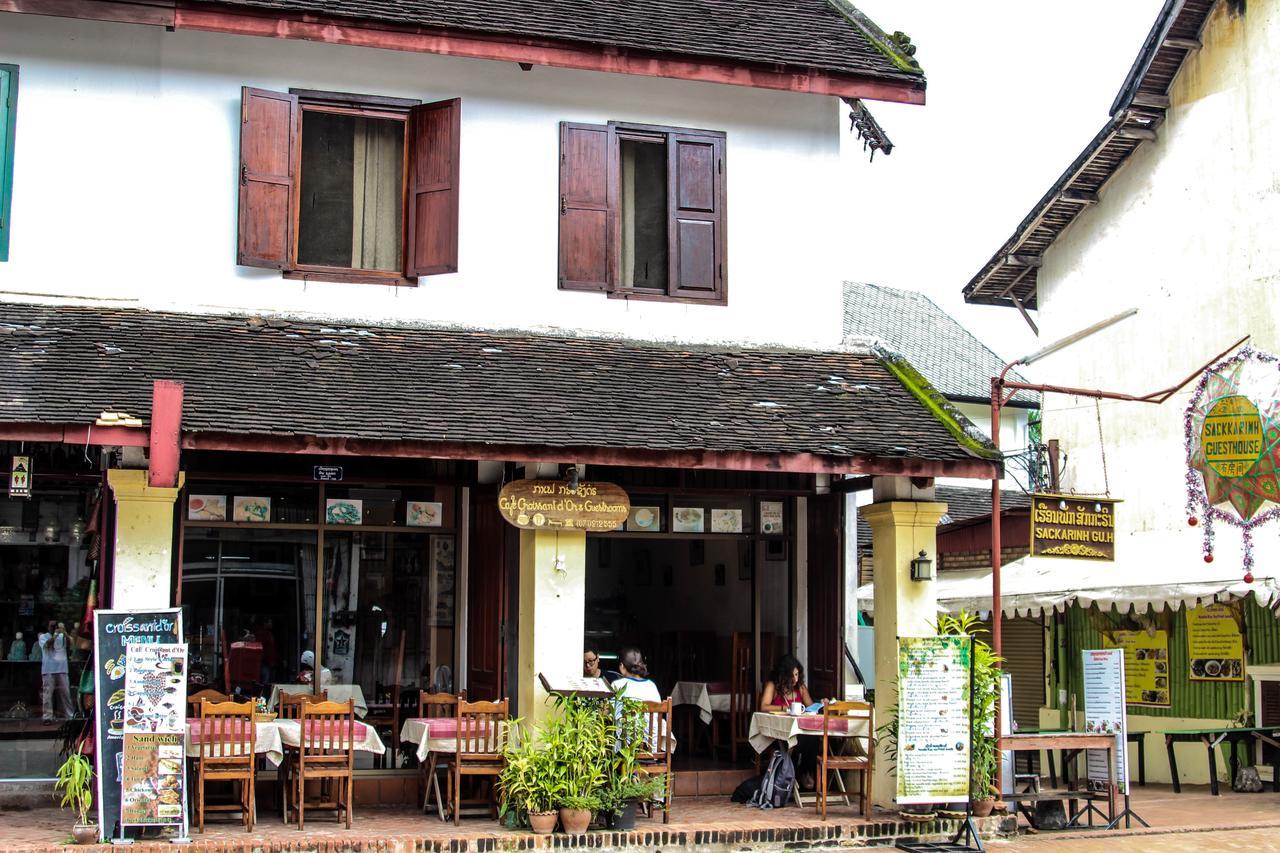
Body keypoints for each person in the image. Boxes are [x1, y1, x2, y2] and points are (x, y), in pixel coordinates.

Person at [760, 654, 818, 786]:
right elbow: (763, 706)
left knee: (814, 737)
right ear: (784, 674)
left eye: (797, 675)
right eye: (792, 675)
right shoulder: (773, 686)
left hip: (800, 732)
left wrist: (821, 706)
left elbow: (811, 707)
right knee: (805, 740)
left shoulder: (801, 688)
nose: (795, 679)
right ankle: (797, 773)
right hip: (779, 734)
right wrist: (784, 708)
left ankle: (804, 771)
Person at [38, 621, 73, 723]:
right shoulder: (43, 636)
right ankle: (47, 717)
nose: (54, 627)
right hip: (48, 669)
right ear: (48, 627)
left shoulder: (63, 636)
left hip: (62, 668)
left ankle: (70, 715)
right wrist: (55, 635)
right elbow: (47, 646)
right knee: (47, 694)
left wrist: (65, 632)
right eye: (52, 626)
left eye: (55, 625)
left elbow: (72, 644)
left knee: (66, 693)